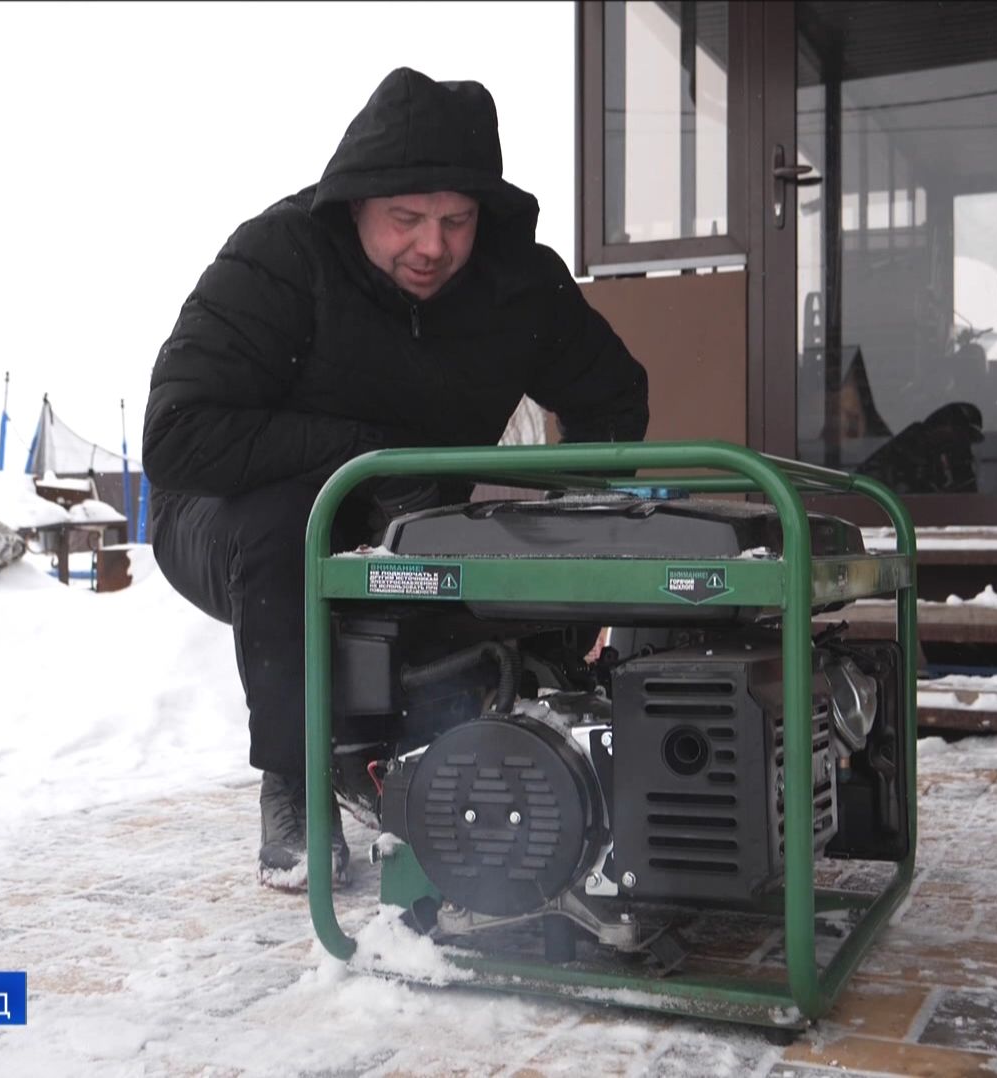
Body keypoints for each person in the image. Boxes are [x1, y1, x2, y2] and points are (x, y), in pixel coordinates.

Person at [142, 67, 650, 890]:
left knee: (469, 566)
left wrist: (580, 537)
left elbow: (614, 398)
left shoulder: (518, 282)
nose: (432, 246)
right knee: (289, 528)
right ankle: (294, 781)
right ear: (356, 204)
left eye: (456, 220)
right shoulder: (278, 256)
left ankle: (462, 751)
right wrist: (368, 456)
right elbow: (177, 437)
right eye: (406, 219)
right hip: (225, 513)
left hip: (410, 512)